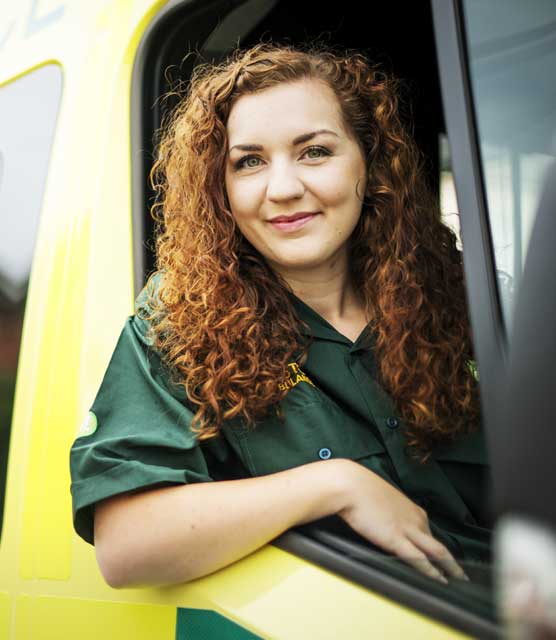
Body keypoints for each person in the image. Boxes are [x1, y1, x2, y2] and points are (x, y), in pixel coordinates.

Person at [69, 41, 492, 589]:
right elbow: (127, 549)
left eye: (315, 152)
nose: (285, 189)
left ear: (369, 160)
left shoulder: (464, 300)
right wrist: (335, 485)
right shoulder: (178, 327)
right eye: (249, 162)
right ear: (219, 190)